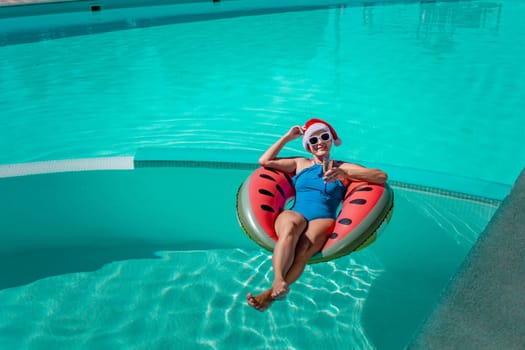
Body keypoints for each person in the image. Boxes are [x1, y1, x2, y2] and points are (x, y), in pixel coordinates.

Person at [246, 118, 388, 311]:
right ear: (308, 147)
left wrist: (344, 175)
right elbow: (264, 161)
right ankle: (278, 280)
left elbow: (381, 176)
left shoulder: (343, 167)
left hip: (322, 218)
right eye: (313, 140)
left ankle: (269, 296)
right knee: (289, 228)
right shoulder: (300, 163)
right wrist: (287, 138)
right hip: (297, 212)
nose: (319, 142)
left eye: (324, 137)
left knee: (304, 249)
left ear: (330, 140)